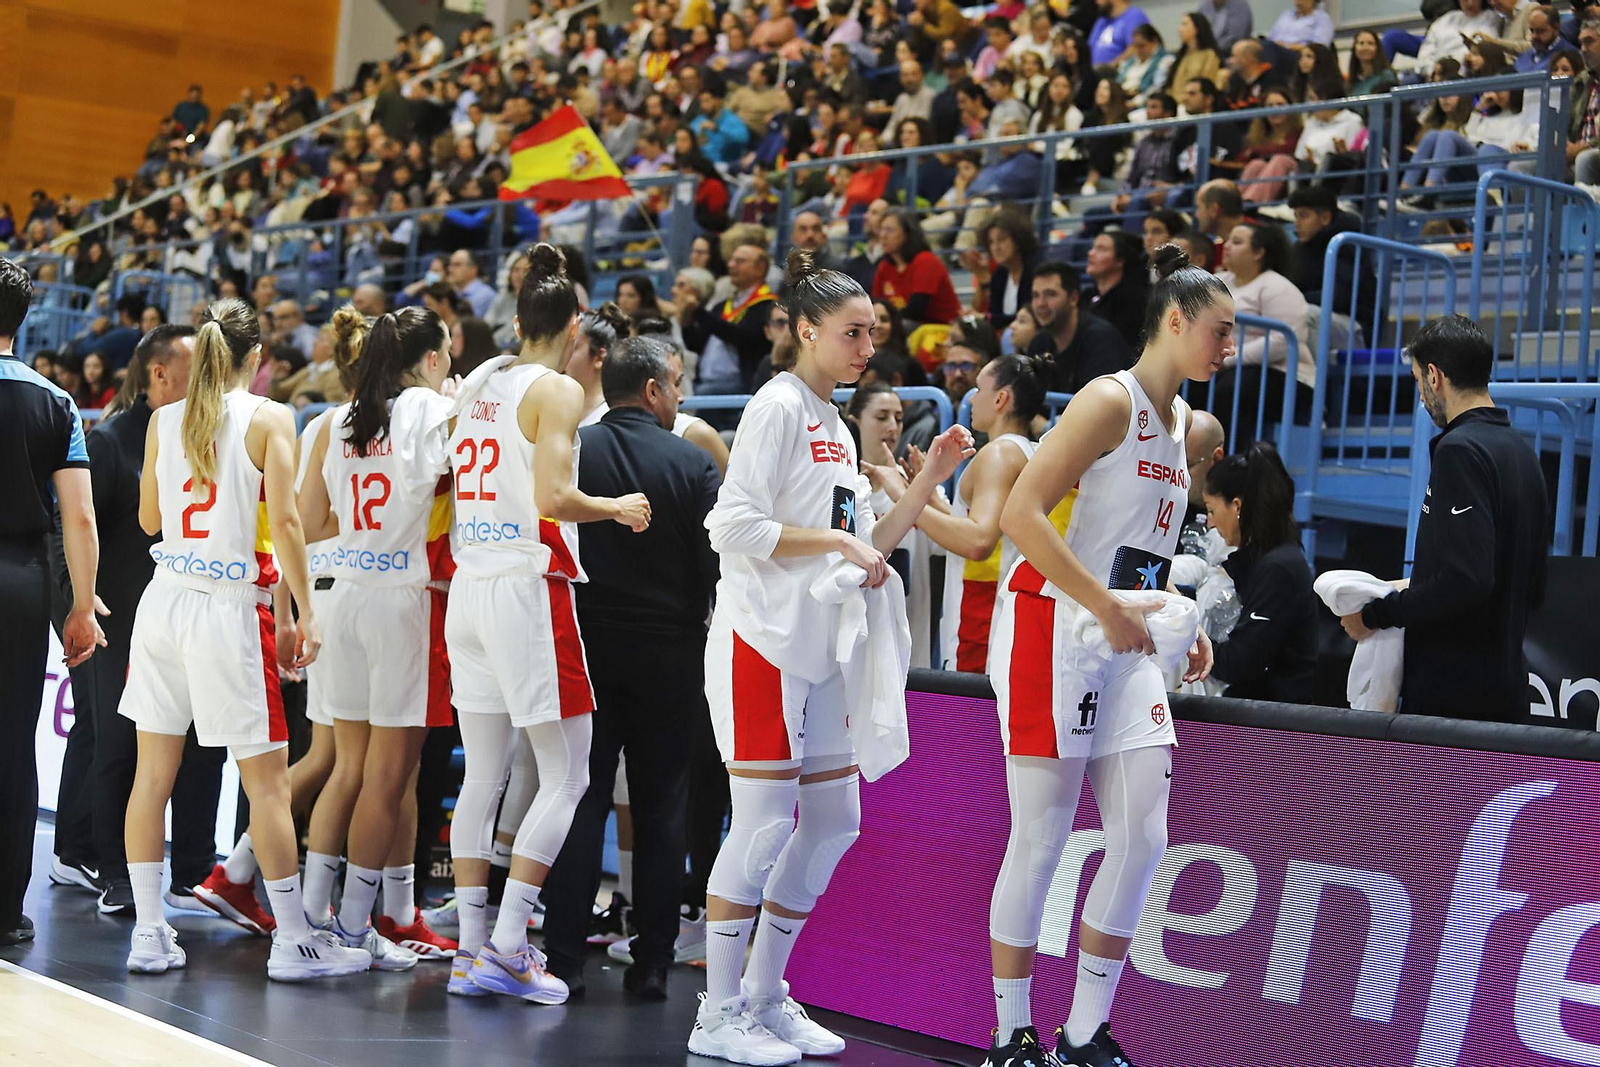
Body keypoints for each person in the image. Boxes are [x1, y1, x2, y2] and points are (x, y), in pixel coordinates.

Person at [690, 248, 973, 1065]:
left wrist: (927, 484)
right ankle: (716, 1012)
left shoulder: (839, 425)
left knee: (835, 821)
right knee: (763, 824)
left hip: (821, 655)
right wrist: (837, 537)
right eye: (852, 333)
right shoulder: (778, 406)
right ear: (805, 331)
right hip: (760, 643)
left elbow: (867, 549)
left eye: (872, 332)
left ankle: (766, 993)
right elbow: (731, 526)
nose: (867, 348)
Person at [982, 244, 1224, 1067]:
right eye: (1220, 332)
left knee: (1144, 835)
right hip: (1054, 628)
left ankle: (1084, 1032)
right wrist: (1104, 603)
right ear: (1175, 320)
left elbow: (1145, 545)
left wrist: (1176, 626)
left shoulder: (1186, 423)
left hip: (1125, 640)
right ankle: (1010, 1033)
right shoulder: (1104, 400)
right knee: (1041, 838)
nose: (1229, 347)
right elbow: (1020, 514)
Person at [119, 298, 370, 979]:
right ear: (256, 357)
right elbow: (287, 523)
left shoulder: (164, 419)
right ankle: (293, 940)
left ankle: (148, 932)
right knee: (264, 783)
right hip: (230, 606)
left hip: (165, 599)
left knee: (152, 776)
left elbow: (148, 518)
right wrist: (304, 614)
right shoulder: (269, 416)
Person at [443, 244, 650, 1004]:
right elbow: (556, 496)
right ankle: (507, 941)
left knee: (486, 775)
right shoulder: (557, 389)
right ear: (571, 328)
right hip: (528, 585)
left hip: (469, 586)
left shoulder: (479, 382)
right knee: (568, 772)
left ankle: (471, 950)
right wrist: (616, 508)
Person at [541, 335, 723, 998]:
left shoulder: (573, 451)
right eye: (675, 384)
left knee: (579, 795)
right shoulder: (692, 463)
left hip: (585, 644)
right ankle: (651, 962)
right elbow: (717, 569)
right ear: (652, 390)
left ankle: (561, 957)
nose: (679, 397)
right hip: (672, 652)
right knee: (661, 804)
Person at [292, 306, 459, 970]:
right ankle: (355, 923)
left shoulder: (338, 420)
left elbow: (311, 519)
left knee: (348, 769)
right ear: (432, 356)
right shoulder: (426, 407)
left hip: (345, 597)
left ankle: (310, 919)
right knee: (389, 779)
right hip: (399, 601)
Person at [45, 329, 230, 919]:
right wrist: (74, 604)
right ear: (157, 374)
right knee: (113, 743)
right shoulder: (112, 440)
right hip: (109, 616)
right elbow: (67, 527)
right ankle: (114, 875)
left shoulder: (197, 435)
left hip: (175, 615)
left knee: (189, 744)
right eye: (193, 367)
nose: (206, 380)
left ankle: (184, 871)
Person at [1340, 316, 1548, 722]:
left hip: (1455, 699)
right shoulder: (1522, 452)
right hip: (1506, 687)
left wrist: (1375, 616)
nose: (1420, 394)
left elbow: (1466, 578)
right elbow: (1533, 585)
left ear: (1434, 376)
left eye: (1418, 380)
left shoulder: (1460, 451)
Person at [0, 257, 105, 947]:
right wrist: (83, 603)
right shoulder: (56, 401)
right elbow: (80, 518)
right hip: (21, 580)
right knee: (12, 744)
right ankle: (6, 911)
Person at [903, 354, 1064, 672]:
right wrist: (926, 490)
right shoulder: (1029, 452)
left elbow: (979, 540)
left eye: (978, 388)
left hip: (984, 624)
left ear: (1001, 398)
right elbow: (988, 528)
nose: (972, 399)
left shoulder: (999, 454)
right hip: (1013, 623)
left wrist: (904, 500)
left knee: (970, 723)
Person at [1201, 442, 1318, 700]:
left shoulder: (1279, 569)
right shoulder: (1262, 562)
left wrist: (1184, 637)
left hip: (1272, 729)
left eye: (1211, 510)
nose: (1209, 521)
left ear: (1237, 506)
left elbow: (1239, 662)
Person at [1213, 222, 1313, 431]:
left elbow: (1282, 341)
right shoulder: (1218, 283)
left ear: (1258, 253)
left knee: (1232, 387)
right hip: (1228, 368)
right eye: (1228, 240)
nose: (1227, 246)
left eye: (1237, 242)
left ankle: (1229, 459)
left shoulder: (1278, 288)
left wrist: (1229, 359)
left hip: (1282, 374)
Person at [1025, 261, 1134, 393]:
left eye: (1050, 294)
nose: (1040, 303)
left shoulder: (1101, 340)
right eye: (1035, 295)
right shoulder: (1038, 343)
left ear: (1074, 298)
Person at [872, 209, 962, 327]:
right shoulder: (885, 266)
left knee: (897, 327)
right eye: (881, 230)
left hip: (939, 327)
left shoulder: (926, 261)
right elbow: (875, 304)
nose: (882, 235)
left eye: (889, 230)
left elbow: (916, 311)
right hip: (906, 324)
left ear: (908, 234)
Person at [965, 209, 1040, 331]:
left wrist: (986, 318)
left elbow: (1029, 318)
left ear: (1018, 239)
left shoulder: (1035, 269)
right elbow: (994, 315)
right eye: (991, 242)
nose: (996, 247)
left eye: (1002, 239)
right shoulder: (999, 274)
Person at [1084, 231, 1152, 351]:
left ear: (1120, 260)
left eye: (1101, 249)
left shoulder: (1136, 300)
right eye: (1093, 248)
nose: (1090, 253)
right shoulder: (1085, 296)